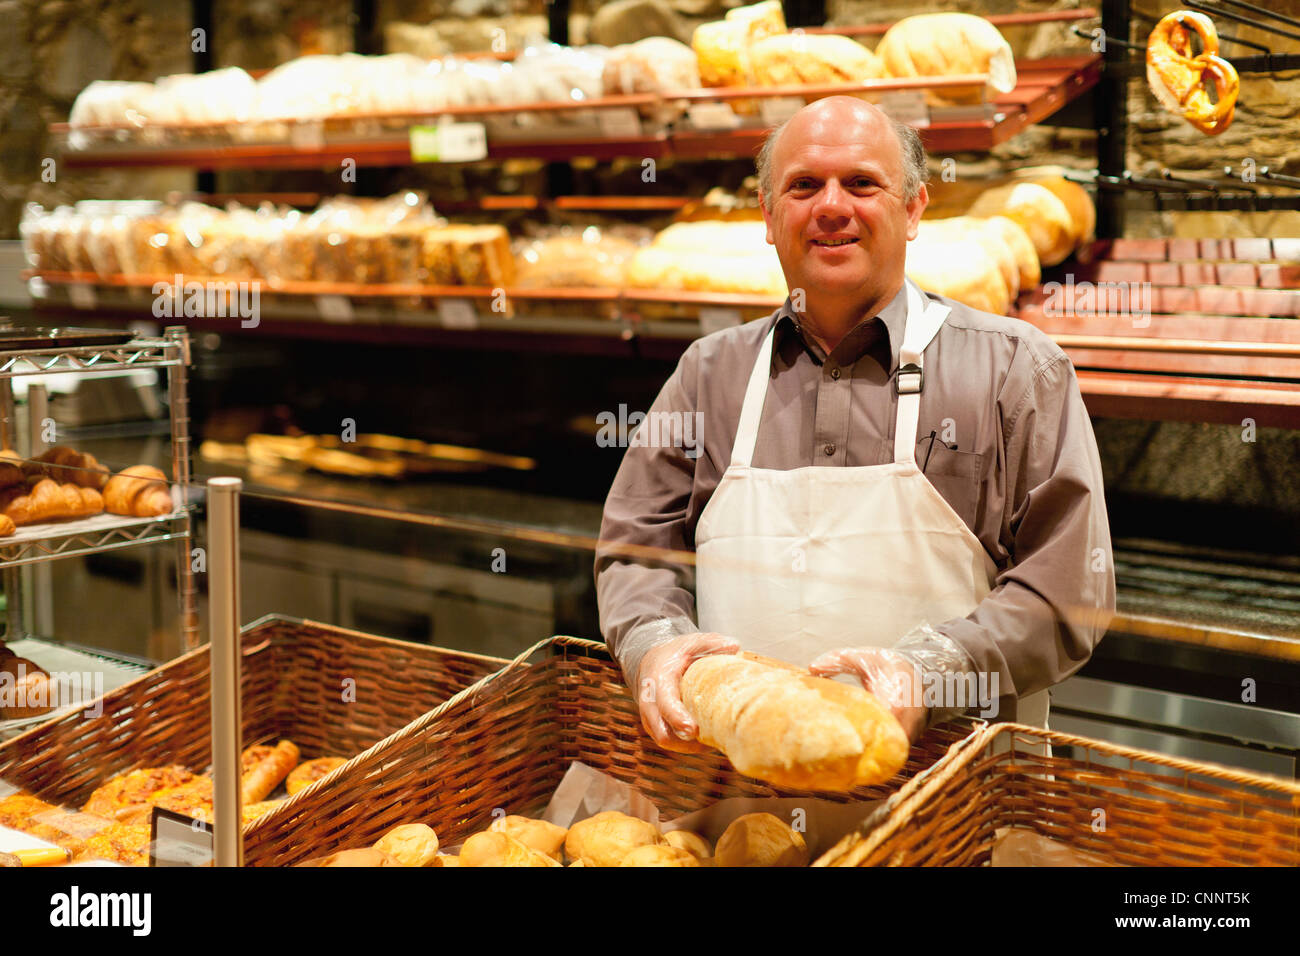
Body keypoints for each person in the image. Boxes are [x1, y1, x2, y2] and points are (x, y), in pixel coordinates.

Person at [594, 96, 1115, 752]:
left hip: (954, 807)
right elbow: (635, 548)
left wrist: (934, 674)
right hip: (739, 814)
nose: (832, 207)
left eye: (862, 183)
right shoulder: (709, 373)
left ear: (916, 207)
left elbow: (1069, 589)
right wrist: (654, 647)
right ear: (767, 214)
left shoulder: (1016, 370)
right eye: (804, 185)